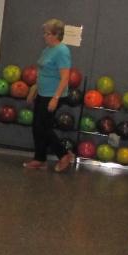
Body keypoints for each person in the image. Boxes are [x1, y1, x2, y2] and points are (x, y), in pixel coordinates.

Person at [23, 19, 76, 172]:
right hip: (42, 93)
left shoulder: (62, 51)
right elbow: (41, 72)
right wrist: (34, 89)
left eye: (47, 33)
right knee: (37, 127)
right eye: (45, 33)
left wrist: (55, 98)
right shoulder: (47, 50)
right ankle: (40, 159)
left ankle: (64, 155)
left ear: (56, 35)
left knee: (44, 127)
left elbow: (65, 78)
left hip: (53, 94)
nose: (44, 36)